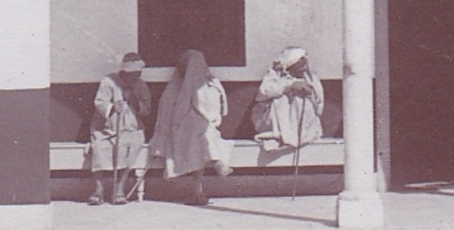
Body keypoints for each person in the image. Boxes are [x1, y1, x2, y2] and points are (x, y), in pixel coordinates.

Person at [149, 50, 233, 206]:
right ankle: (215, 163)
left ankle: (198, 189)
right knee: (200, 135)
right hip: (180, 128)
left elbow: (211, 112)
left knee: (201, 134)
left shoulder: (209, 84)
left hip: (204, 127)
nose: (181, 69)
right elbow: (168, 111)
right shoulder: (175, 86)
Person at [90, 53, 150, 205]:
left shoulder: (141, 85)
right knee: (99, 147)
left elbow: (147, 110)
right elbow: (100, 102)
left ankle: (119, 189)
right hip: (106, 127)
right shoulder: (109, 81)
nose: (136, 77)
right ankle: (98, 189)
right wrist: (111, 107)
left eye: (139, 73)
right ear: (124, 72)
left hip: (131, 128)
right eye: (133, 74)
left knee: (130, 147)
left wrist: (135, 101)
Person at [251, 46, 324, 149]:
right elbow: (264, 93)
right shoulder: (274, 76)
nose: (303, 66)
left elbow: (319, 104)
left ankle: (297, 135)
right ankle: (283, 136)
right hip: (276, 121)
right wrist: (289, 86)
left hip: (304, 123)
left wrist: (308, 92)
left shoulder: (311, 79)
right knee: (281, 99)